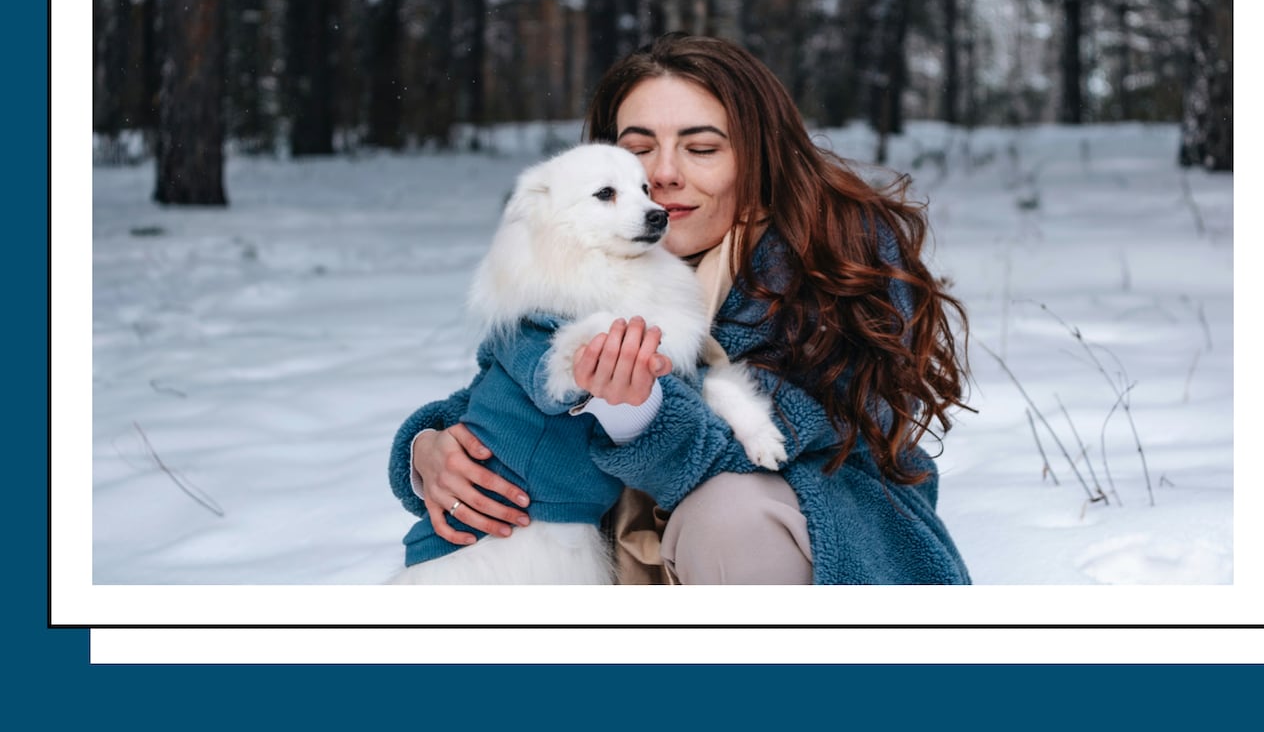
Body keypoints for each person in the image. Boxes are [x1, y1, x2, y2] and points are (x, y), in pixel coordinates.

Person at [389, 33, 972, 584]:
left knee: (730, 512)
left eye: (701, 148)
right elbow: (507, 386)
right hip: (604, 564)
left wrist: (635, 411)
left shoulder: (831, 263)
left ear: (760, 158)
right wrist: (430, 450)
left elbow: (770, 449)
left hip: (826, 549)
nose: (662, 175)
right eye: (638, 150)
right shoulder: (591, 263)